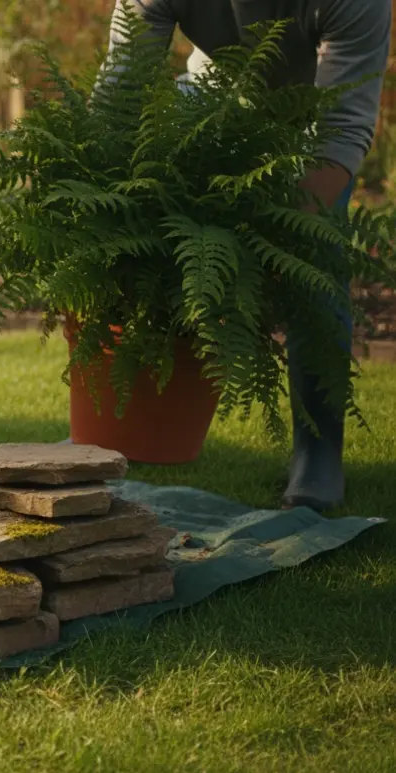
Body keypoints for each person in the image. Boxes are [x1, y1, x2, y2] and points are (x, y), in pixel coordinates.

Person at [107, 0, 392, 510]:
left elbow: (342, 127)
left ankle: (318, 452)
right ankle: (111, 428)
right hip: (211, 101)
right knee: (132, 234)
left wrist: (268, 249)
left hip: (314, 130)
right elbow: (121, 94)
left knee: (313, 260)